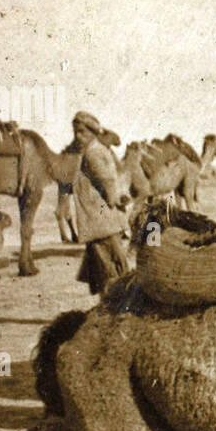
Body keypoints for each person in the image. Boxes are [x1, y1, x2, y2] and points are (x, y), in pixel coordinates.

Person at [70, 111, 130, 294]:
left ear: (94, 132)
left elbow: (108, 180)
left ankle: (114, 312)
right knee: (106, 269)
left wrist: (113, 199)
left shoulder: (92, 153)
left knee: (111, 271)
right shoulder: (98, 150)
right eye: (75, 132)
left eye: (82, 132)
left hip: (102, 223)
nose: (78, 137)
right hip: (103, 222)